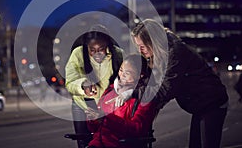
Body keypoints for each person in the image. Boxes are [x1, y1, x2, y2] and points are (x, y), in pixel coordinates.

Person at [126, 19, 229, 148]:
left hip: (212, 102)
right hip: (200, 104)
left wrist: (133, 93)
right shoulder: (159, 55)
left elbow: (165, 89)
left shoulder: (175, 53)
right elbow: (152, 82)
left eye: (142, 46)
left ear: (153, 41)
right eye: (138, 46)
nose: (140, 50)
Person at [65, 24, 123, 148]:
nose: (97, 53)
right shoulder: (78, 54)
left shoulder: (118, 55)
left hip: (109, 107)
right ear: (87, 47)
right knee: (84, 142)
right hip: (84, 106)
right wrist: (82, 85)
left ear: (107, 44)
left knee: (109, 141)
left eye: (101, 48)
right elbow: (70, 81)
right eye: (92, 50)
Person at [85, 54, 157, 148]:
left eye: (127, 73)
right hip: (97, 144)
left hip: (121, 144)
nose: (121, 75)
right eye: (121, 70)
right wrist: (93, 119)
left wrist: (106, 119)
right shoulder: (109, 91)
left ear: (140, 75)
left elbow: (137, 129)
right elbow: (95, 129)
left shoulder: (143, 98)